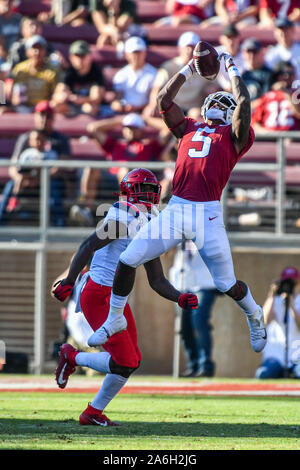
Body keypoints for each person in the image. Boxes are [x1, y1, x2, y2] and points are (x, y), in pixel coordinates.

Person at [85, 47, 268, 356]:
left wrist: (231, 68)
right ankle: (115, 318)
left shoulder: (235, 137)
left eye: (225, 102)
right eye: (215, 100)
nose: (217, 104)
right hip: (177, 207)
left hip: (207, 213)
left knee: (225, 284)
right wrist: (188, 69)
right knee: (129, 258)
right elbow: (163, 102)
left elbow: (245, 103)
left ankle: (254, 313)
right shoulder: (189, 127)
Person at [52, 168, 198, 426]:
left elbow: (157, 280)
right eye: (145, 189)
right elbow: (88, 245)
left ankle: (92, 411)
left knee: (132, 361)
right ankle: (73, 359)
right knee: (125, 361)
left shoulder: (149, 221)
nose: (150, 196)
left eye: (154, 190)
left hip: (117, 299)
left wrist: (179, 297)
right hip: (98, 295)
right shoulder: (122, 217)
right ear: (129, 191)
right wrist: (69, 279)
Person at [70, 112, 165, 224]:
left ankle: (126, 212)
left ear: (141, 130)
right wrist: (121, 119)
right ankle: (86, 209)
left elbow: (167, 128)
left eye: (134, 128)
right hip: (111, 180)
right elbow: (93, 128)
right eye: (127, 128)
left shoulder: (150, 146)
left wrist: (145, 119)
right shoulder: (116, 145)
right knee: (91, 168)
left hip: (138, 184)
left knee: (125, 171)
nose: (130, 131)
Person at [0, 100, 70, 226]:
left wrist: (40, 178)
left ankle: (60, 226)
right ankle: (1, 223)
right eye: (41, 114)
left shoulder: (61, 139)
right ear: (35, 116)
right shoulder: (25, 138)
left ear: (53, 118)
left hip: (49, 180)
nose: (44, 119)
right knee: (10, 186)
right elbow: (13, 167)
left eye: (48, 116)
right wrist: (21, 178)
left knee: (54, 188)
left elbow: (61, 166)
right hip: (26, 180)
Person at [169, 240, 219, 377]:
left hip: (203, 284)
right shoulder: (179, 236)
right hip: (183, 285)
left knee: (199, 321)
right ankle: (194, 364)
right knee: (184, 328)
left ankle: (205, 365)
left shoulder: (206, 232)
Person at [143, 31, 210, 118]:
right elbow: (157, 88)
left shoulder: (204, 68)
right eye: (186, 47)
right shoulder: (168, 66)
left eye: (192, 47)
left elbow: (213, 86)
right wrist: (152, 105)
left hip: (194, 109)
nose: (189, 51)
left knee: (197, 114)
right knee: (150, 115)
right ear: (180, 48)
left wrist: (210, 89)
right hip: (173, 108)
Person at [255, 267, 300, 379]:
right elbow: (264, 321)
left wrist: (291, 306)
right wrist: (272, 295)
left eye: (293, 283)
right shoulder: (275, 301)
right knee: (263, 374)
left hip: (296, 355)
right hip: (276, 355)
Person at [51, 40, 105, 117]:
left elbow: (97, 98)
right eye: (77, 56)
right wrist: (64, 97)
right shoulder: (68, 72)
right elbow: (57, 94)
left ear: (89, 56)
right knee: (55, 105)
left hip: (88, 105)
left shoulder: (96, 71)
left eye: (83, 56)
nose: (80, 60)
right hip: (71, 106)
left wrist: (81, 99)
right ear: (71, 57)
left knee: (90, 108)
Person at [11, 35, 61, 112]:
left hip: (44, 109)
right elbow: (12, 91)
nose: (37, 52)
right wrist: (14, 98)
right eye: (34, 48)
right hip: (23, 108)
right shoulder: (19, 69)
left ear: (45, 51)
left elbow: (56, 94)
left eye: (40, 48)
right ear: (27, 51)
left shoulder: (52, 71)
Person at [111, 36, 157, 115]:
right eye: (134, 52)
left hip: (144, 113)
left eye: (139, 52)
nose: (136, 56)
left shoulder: (154, 73)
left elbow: (153, 97)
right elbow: (118, 98)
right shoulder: (121, 74)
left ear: (145, 53)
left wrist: (145, 107)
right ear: (127, 54)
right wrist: (120, 105)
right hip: (125, 113)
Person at [251, 61, 300, 132]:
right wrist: (270, 135)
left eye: (290, 73)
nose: (287, 76)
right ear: (277, 76)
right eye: (283, 74)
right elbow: (255, 123)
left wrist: (287, 93)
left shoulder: (297, 94)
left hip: (292, 139)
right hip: (270, 139)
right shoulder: (268, 96)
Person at [241, 38, 273, 103]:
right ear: (244, 54)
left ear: (261, 53)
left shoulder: (268, 74)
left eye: (254, 52)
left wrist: (249, 106)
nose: (252, 55)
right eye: (249, 52)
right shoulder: (244, 75)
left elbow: (266, 98)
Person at [216, 24, 246, 92]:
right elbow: (217, 75)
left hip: (241, 88)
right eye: (228, 37)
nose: (231, 41)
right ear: (222, 39)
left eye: (234, 37)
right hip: (221, 89)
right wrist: (226, 85)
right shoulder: (216, 53)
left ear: (239, 38)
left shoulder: (246, 53)